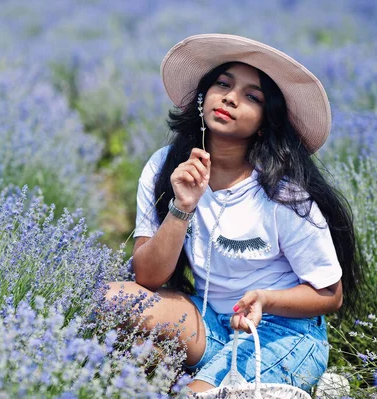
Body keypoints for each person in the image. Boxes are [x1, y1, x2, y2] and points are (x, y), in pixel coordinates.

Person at [104, 34, 362, 393]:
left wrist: (266, 298)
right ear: (202, 97)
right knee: (110, 302)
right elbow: (146, 277)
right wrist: (183, 208)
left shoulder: (283, 193)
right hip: (207, 318)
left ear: (265, 120)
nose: (230, 97)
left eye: (252, 96)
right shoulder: (165, 166)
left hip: (278, 329)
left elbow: (330, 295)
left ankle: (230, 377)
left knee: (199, 394)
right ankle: (221, 370)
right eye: (222, 84)